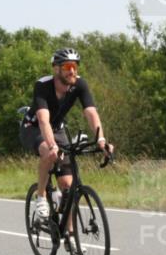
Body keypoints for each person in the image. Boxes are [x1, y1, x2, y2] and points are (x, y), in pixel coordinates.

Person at [19, 48, 114, 231]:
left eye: (75, 66)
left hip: (58, 129)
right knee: (48, 151)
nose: (73, 71)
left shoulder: (79, 85)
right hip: (33, 127)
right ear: (56, 69)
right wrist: (53, 146)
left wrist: (101, 140)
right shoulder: (43, 85)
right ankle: (41, 198)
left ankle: (69, 234)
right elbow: (43, 120)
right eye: (68, 66)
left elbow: (90, 112)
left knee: (69, 186)